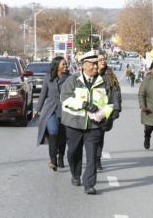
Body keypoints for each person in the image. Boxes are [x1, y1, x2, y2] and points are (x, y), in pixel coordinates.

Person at [61, 50, 114, 195]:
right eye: (93, 64)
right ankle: (75, 174)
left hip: (94, 126)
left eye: (97, 64)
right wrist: (84, 104)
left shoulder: (104, 83)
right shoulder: (73, 80)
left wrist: (103, 115)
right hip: (74, 123)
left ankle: (89, 183)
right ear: (84, 65)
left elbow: (110, 103)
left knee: (92, 156)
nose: (96, 67)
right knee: (73, 152)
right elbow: (65, 99)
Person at [34, 56, 69, 171]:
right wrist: (37, 109)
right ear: (56, 65)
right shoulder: (48, 77)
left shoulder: (69, 78)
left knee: (63, 134)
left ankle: (61, 156)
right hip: (50, 109)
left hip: (65, 109)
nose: (65, 66)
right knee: (53, 131)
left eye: (66, 64)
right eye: (63, 64)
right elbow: (43, 94)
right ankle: (53, 160)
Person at [96, 53, 122, 170]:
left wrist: (116, 109)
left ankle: (97, 159)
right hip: (90, 110)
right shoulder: (90, 74)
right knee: (91, 136)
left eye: (104, 59)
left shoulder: (110, 75)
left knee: (100, 135)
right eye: (100, 60)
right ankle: (91, 157)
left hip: (105, 110)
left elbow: (116, 92)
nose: (103, 61)